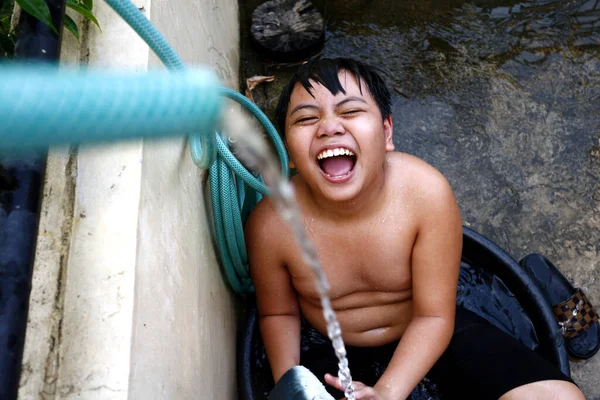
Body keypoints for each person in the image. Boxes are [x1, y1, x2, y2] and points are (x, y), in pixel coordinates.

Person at [244, 58, 584, 400]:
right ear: (288, 152)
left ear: (387, 132)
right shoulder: (273, 224)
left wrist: (389, 391)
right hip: (327, 345)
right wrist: (290, 384)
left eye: (349, 112)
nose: (329, 128)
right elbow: (278, 313)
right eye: (306, 118)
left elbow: (434, 314)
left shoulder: (424, 193)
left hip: (427, 328)